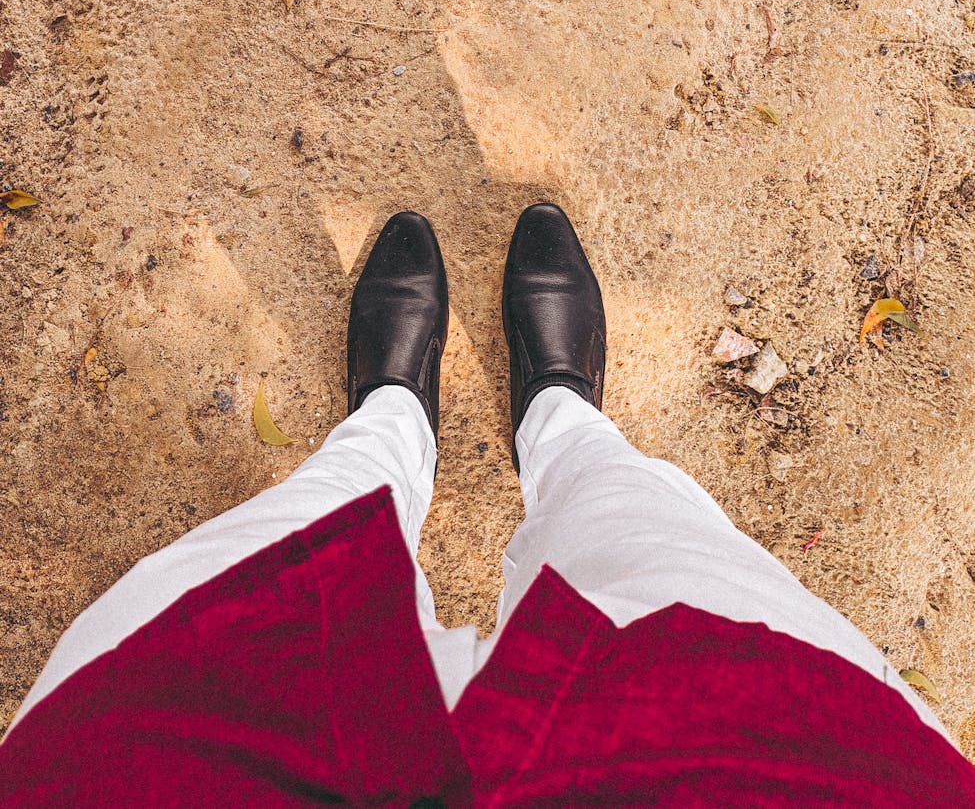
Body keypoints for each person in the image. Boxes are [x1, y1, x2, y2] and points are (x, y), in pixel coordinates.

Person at [2, 204, 973, 805]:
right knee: (637, 525)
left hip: (195, 756)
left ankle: (390, 419)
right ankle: (558, 410)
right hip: (726, 750)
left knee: (313, 529)